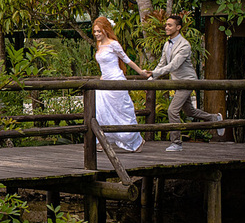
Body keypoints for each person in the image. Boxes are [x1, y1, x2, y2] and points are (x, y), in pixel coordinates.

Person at [148, 14, 222, 152]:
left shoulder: (185, 45)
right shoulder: (167, 44)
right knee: (189, 111)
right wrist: (152, 77)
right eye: (166, 25)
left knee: (172, 110)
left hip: (187, 81)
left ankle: (176, 143)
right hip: (176, 82)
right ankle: (214, 118)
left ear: (178, 27)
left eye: (170, 25)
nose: (166, 27)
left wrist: (155, 73)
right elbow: (162, 63)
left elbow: (174, 65)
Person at [91, 16, 149, 152]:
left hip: (116, 80)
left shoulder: (113, 44)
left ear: (106, 30)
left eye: (99, 31)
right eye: (95, 32)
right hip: (104, 82)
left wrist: (142, 73)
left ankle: (136, 141)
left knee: (122, 111)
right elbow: (103, 66)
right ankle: (104, 140)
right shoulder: (99, 45)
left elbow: (126, 60)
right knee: (101, 111)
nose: (97, 34)